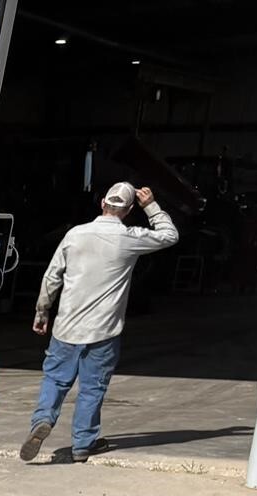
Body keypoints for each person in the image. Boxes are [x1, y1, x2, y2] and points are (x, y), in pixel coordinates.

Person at [21, 181, 178, 463]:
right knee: (92, 388)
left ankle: (43, 419)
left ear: (101, 203)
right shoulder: (130, 238)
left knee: (55, 379)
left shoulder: (75, 235)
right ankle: (83, 444)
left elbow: (52, 275)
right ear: (129, 210)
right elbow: (169, 236)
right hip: (104, 331)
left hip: (66, 327)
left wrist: (42, 311)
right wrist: (151, 206)